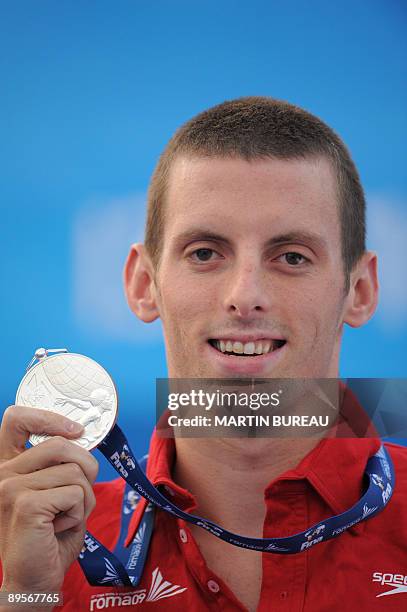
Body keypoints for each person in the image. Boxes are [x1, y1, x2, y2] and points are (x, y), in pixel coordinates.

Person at [0, 97, 406, 611]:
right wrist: (28, 598)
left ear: (361, 289)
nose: (245, 294)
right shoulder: (35, 546)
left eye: (292, 256)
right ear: (144, 283)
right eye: (206, 253)